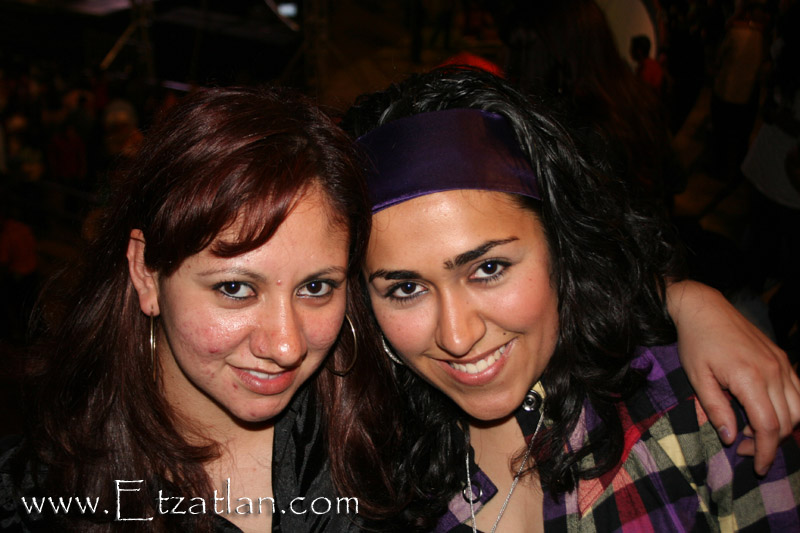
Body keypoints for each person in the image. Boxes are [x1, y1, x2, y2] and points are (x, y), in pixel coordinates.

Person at [334, 67, 800, 531]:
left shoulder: (698, 402)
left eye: (489, 269)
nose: (457, 337)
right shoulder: (365, 454)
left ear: (560, 244)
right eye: (406, 289)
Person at [0, 86, 370, 532]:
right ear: (146, 271)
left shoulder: (393, 441)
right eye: (235, 287)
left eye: (315, 286)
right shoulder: (36, 503)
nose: (286, 346)